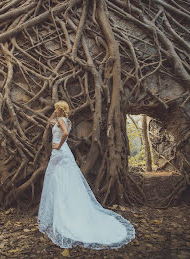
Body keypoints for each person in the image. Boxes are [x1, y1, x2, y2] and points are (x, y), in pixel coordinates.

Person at [38, 101, 135, 249]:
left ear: (61, 110)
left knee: (59, 182)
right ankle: (65, 210)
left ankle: (64, 215)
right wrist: (54, 125)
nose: (55, 111)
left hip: (60, 153)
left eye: (56, 109)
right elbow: (62, 128)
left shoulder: (61, 120)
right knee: (65, 181)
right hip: (63, 154)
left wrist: (58, 145)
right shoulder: (66, 121)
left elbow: (64, 133)